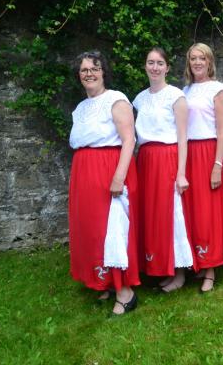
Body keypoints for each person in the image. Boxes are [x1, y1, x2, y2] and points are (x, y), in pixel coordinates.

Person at [68, 50, 139, 315]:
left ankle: (125, 292)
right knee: (90, 230)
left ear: (103, 72)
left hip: (108, 170)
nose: (89, 74)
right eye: (84, 70)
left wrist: (119, 176)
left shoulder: (117, 99)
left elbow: (129, 140)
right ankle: (103, 281)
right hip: (83, 172)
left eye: (94, 69)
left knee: (110, 230)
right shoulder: (80, 107)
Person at [133, 47, 193, 293]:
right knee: (151, 214)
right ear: (145, 66)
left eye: (160, 63)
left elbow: (183, 137)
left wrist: (180, 172)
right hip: (146, 159)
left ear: (167, 67)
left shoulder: (176, 96)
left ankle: (178, 272)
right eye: (150, 62)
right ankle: (157, 265)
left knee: (171, 213)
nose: (155, 67)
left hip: (168, 157)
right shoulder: (138, 99)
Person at [182, 43, 223, 293]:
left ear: (210, 61)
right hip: (187, 153)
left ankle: (211, 266)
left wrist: (217, 165)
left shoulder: (218, 89)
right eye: (193, 58)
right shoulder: (185, 90)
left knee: (207, 210)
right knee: (190, 208)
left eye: (202, 58)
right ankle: (196, 261)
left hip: (208, 152)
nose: (197, 62)